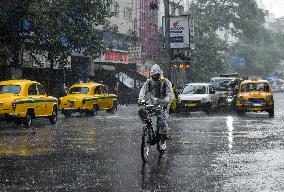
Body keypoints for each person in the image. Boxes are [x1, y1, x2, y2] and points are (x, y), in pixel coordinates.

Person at [138, 64, 174, 142]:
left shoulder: (166, 82)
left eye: (156, 75)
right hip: (152, 103)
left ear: (159, 74)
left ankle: (164, 135)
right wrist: (141, 99)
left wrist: (166, 102)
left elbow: (170, 94)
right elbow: (142, 91)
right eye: (153, 76)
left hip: (163, 104)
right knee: (141, 110)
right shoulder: (149, 82)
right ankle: (148, 125)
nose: (154, 77)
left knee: (161, 121)